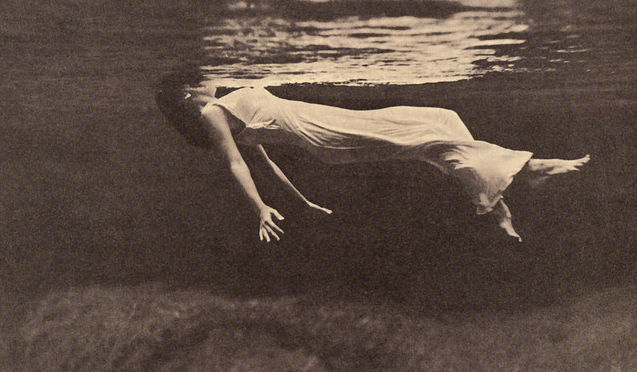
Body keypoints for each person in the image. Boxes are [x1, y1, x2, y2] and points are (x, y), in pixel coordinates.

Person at [156, 72, 590, 243]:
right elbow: (240, 163)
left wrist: (301, 201)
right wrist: (260, 208)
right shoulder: (214, 112)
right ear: (188, 92)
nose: (211, 75)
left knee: (440, 118)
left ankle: (494, 197)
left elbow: (268, 162)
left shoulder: (223, 105)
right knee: (426, 140)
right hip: (324, 135)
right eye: (202, 76)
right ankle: (530, 169)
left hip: (325, 125)